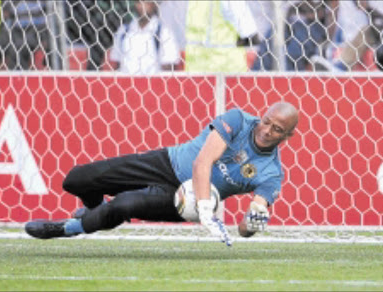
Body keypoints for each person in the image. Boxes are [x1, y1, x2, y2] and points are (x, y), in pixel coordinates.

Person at [25, 102, 299, 245]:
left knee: (124, 205)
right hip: (165, 163)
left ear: (288, 136)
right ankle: (94, 211)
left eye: (277, 129)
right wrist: (206, 209)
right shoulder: (238, 119)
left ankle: (65, 229)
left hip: (182, 200)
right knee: (77, 179)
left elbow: (247, 226)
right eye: (267, 122)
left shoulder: (271, 174)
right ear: (261, 117)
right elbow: (202, 162)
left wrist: (252, 222)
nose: (266, 130)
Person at [108, 0, 180, 74]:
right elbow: (115, 62)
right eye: (139, 2)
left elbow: (169, 66)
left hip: (151, 83)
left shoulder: (164, 32)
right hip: (126, 83)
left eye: (147, 2)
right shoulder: (124, 31)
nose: (142, 6)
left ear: (154, 4)